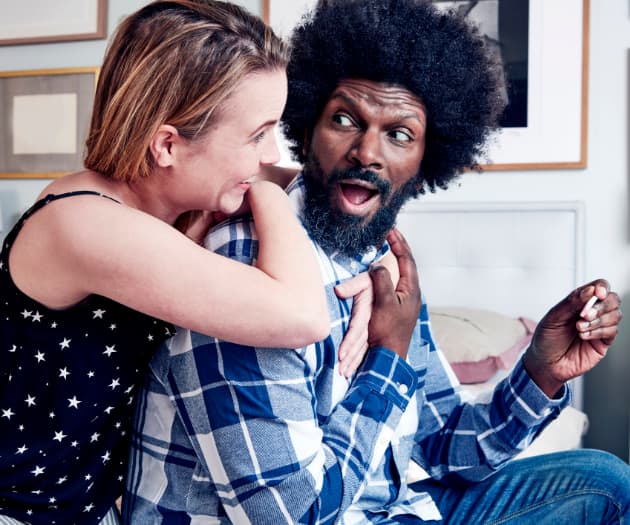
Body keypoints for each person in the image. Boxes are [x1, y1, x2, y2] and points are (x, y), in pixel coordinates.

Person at [124, 1, 630, 524]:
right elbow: (289, 515)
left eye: (399, 134)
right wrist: (389, 357)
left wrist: (541, 373)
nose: (367, 152)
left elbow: (441, 445)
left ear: (426, 160)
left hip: (392, 510)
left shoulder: (384, 258)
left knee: (607, 483)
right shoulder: (246, 264)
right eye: (345, 119)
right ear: (308, 126)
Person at [0, 1, 381, 524]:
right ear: (167, 145)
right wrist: (265, 194)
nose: (271, 153)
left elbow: (336, 195)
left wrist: (381, 265)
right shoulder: (82, 225)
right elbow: (302, 316)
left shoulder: (170, 204)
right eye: (257, 135)